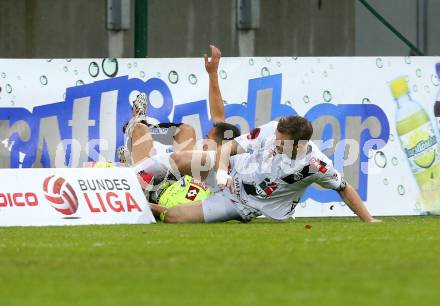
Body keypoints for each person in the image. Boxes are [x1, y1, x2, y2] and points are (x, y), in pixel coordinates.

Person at [148, 115, 381, 223]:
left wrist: (369, 220)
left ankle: (141, 207)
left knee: (175, 217)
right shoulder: (271, 130)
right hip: (232, 169)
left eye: (281, 142)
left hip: (241, 204)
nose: (275, 142)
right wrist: (221, 171)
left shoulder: (316, 165)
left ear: (299, 145)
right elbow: (228, 147)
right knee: (179, 158)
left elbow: (344, 187)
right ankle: (129, 180)